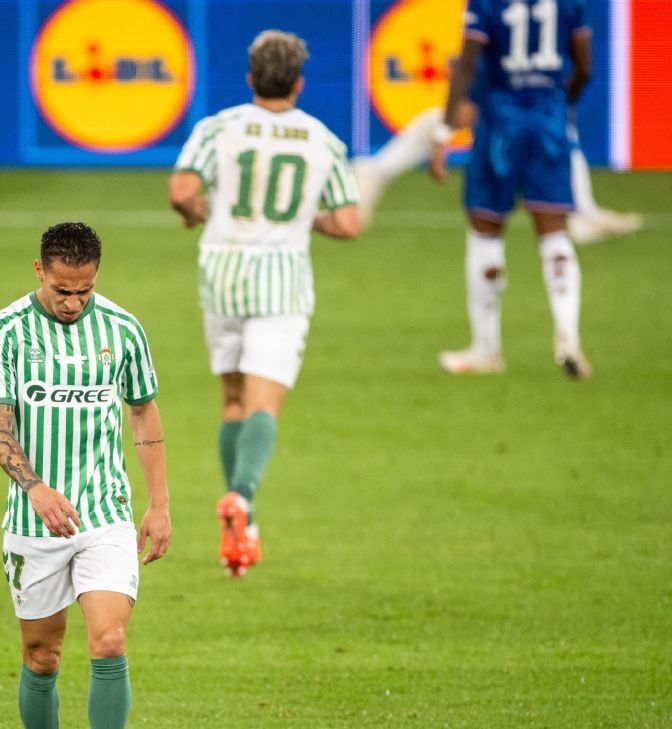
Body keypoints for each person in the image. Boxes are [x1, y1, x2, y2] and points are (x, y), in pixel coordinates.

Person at [168, 30, 361, 577]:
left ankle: (242, 524)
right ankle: (244, 497)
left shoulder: (219, 127)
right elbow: (348, 222)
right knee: (263, 405)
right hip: (281, 280)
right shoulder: (321, 140)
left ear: (251, 78)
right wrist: (309, 218)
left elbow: (183, 191)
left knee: (232, 398)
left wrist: (196, 213)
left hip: (222, 272)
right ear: (299, 83)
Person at [0, 222, 171, 729]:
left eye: (85, 290)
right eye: (62, 290)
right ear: (39, 270)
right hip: (34, 521)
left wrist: (159, 503)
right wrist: (35, 488)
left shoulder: (123, 329)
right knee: (43, 656)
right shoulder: (6, 330)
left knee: (110, 641)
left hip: (105, 512)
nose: (74, 302)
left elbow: (143, 410)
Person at [427, 0, 594, 378]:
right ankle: (568, 338)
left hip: (499, 125)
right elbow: (584, 66)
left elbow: (468, 62)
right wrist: (560, 101)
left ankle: (486, 349)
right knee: (555, 235)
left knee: (485, 232)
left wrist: (445, 129)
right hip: (549, 120)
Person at [353, 102, 641, 245]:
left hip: (513, 107)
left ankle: (584, 213)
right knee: (441, 120)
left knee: (562, 137)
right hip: (509, 106)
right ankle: (583, 214)